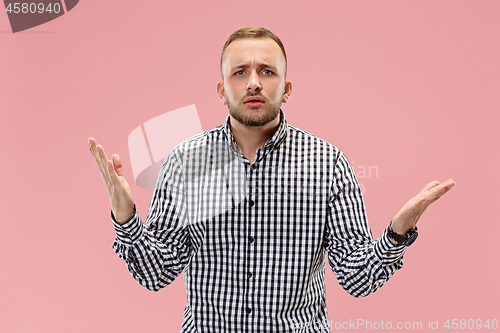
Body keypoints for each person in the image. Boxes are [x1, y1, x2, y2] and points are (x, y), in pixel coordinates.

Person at [88, 26, 455, 333]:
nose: (253, 83)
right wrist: (126, 218)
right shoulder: (186, 162)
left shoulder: (327, 164)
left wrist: (397, 232)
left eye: (267, 71)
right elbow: (156, 273)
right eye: (239, 72)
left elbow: (355, 277)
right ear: (221, 90)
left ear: (287, 88)